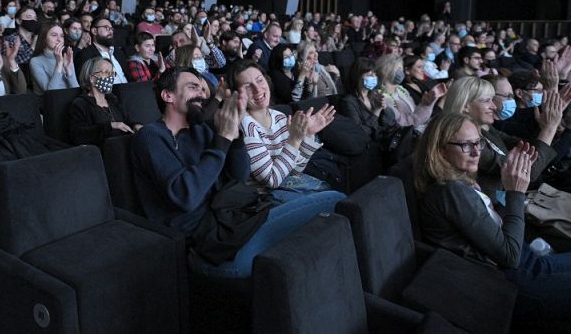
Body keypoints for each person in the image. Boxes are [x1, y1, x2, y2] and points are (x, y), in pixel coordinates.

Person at [131, 67, 346, 278]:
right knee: (336, 202)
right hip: (211, 246)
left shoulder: (202, 131)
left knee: (318, 239)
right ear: (168, 95)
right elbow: (186, 196)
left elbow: (238, 178)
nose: (202, 94)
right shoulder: (151, 136)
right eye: (192, 87)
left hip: (236, 224)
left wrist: (235, 136)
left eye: (202, 88)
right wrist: (222, 139)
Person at [416, 112, 571, 320]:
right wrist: (515, 192)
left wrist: (510, 175)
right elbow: (510, 257)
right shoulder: (449, 192)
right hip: (519, 280)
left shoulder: (459, 182)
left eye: (478, 143)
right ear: (440, 150)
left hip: (530, 262)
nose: (476, 152)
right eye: (466, 145)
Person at [229, 60, 346, 204]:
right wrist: (295, 140)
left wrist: (308, 135)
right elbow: (272, 180)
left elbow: (295, 172)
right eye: (247, 87)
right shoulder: (245, 126)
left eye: (260, 80)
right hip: (262, 202)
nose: (257, 89)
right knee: (336, 200)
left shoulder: (279, 117)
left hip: (285, 190)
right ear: (236, 95)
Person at [442, 76, 559, 198]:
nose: (494, 106)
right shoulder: (463, 141)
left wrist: (549, 126)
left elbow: (527, 147)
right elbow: (526, 171)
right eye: (487, 100)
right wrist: (549, 128)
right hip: (491, 208)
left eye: (493, 100)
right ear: (466, 105)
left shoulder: (486, 129)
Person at [68, 57, 140, 148]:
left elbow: (127, 121)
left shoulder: (113, 100)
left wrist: (136, 125)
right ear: (92, 78)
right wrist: (110, 126)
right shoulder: (80, 104)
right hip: (103, 151)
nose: (110, 77)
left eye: (112, 73)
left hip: (125, 145)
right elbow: (78, 136)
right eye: (106, 72)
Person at [376, 53, 445, 133]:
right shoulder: (381, 96)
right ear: (386, 70)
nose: (401, 73)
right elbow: (405, 123)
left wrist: (425, 104)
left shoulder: (401, 89)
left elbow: (416, 113)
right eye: (398, 69)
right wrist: (425, 106)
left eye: (401, 69)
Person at [339, 57, 398, 144]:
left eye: (375, 74)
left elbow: (391, 122)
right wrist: (377, 111)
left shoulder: (374, 95)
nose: (374, 77)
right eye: (370, 75)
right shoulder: (348, 102)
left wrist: (384, 108)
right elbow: (360, 133)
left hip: (386, 142)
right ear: (358, 76)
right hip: (370, 147)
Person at [74, 17, 129, 84]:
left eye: (111, 29)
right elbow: (84, 83)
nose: (111, 31)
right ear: (94, 31)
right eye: (106, 28)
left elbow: (128, 76)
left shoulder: (118, 52)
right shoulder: (85, 55)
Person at [29, 21, 78, 94]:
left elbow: (76, 90)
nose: (59, 39)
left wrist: (69, 72)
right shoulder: (35, 61)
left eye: (62, 36)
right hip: (50, 103)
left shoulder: (65, 57)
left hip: (70, 101)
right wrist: (59, 64)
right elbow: (50, 93)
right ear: (44, 38)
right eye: (54, 35)